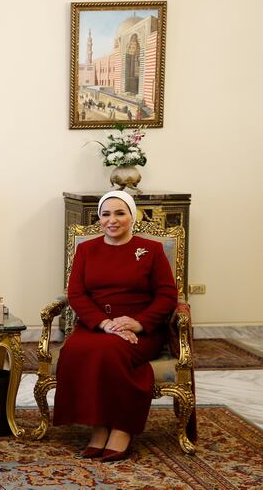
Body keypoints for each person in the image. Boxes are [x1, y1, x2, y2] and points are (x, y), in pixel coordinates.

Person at [53, 190, 177, 462]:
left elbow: (168, 295)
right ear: (99, 219)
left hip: (141, 329)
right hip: (97, 325)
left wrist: (138, 323)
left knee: (110, 351)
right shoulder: (86, 249)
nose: (112, 220)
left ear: (132, 216)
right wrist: (105, 323)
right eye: (105, 214)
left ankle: (122, 428)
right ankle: (99, 427)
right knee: (74, 349)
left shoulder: (152, 250)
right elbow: (76, 294)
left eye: (120, 213)